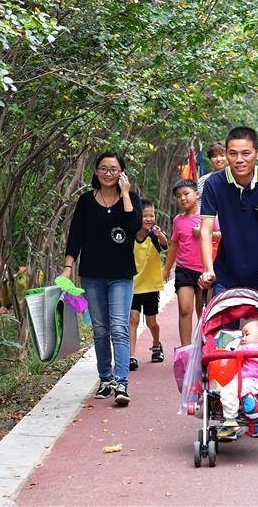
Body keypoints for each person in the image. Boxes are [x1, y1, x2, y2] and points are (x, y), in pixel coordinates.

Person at [63, 151, 142, 405]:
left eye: (114, 169)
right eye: (104, 168)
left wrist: (127, 194)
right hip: (92, 274)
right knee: (100, 329)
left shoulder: (131, 199)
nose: (109, 173)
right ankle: (105, 379)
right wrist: (68, 266)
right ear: (96, 171)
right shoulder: (86, 201)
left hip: (121, 275)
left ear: (122, 173)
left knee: (119, 328)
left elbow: (133, 228)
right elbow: (75, 235)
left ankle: (122, 383)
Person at [198, 126, 258, 301]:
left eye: (246, 153)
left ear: (257, 153)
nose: (239, 160)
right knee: (222, 328)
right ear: (226, 153)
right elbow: (205, 230)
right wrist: (208, 270)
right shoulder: (213, 183)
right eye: (232, 154)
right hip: (225, 274)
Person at [163, 179, 219, 346]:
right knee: (185, 309)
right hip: (184, 269)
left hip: (206, 270)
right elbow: (174, 244)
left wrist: (203, 232)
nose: (183, 198)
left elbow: (221, 235)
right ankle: (186, 350)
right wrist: (167, 269)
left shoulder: (208, 216)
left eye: (186, 194)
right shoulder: (177, 220)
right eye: (178, 196)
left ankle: (206, 346)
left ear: (197, 194)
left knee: (204, 311)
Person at [210, 319, 258, 440]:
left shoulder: (249, 348)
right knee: (237, 391)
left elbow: (230, 355)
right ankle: (255, 423)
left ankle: (230, 423)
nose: (242, 338)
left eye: (247, 334)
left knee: (227, 391)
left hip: (248, 381)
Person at [129, 200, 167, 371]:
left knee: (152, 323)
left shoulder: (153, 236)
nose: (149, 219)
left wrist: (159, 235)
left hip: (151, 286)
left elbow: (165, 245)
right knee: (133, 319)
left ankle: (156, 344)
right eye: (145, 215)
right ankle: (131, 355)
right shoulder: (131, 235)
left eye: (152, 215)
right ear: (138, 216)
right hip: (134, 286)